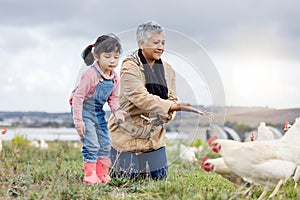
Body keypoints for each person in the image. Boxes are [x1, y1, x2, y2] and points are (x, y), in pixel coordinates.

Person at [108, 21, 204, 180]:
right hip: (125, 136)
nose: (160, 47)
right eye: (155, 42)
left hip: (154, 138)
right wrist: (171, 106)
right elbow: (140, 97)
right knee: (124, 178)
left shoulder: (168, 69)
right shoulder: (129, 67)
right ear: (141, 43)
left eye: (163, 43)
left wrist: (169, 113)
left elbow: (172, 99)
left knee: (159, 178)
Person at [69, 34, 126, 185]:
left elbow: (113, 99)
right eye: (108, 56)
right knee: (92, 142)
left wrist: (117, 111)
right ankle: (90, 175)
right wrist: (79, 121)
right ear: (96, 56)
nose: (113, 61)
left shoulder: (114, 78)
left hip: (98, 112)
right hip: (83, 111)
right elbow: (78, 98)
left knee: (106, 142)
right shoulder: (91, 75)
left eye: (116, 57)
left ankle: (102, 174)